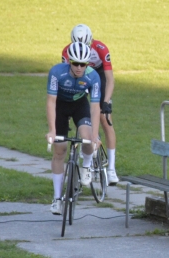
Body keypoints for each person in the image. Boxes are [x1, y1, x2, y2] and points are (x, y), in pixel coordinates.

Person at [45, 42, 101, 215]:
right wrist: (52, 130)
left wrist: (95, 135)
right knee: (60, 150)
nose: (79, 68)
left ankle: (86, 166)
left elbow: (95, 107)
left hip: (79, 106)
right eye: (75, 63)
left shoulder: (93, 77)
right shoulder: (57, 72)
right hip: (60, 107)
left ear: (87, 64)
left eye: (83, 64)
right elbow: (51, 102)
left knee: (87, 139)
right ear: (69, 61)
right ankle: (57, 199)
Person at [61, 24, 118, 184]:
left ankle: (111, 168)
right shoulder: (67, 52)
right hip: (79, 76)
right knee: (82, 108)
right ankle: (87, 141)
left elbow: (110, 79)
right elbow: (66, 77)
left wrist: (106, 102)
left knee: (105, 119)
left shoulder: (100, 49)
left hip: (98, 74)